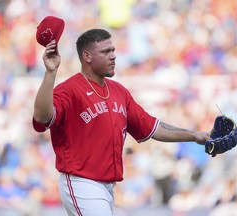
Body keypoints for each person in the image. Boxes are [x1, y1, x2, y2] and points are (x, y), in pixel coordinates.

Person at [32, 28, 210, 216]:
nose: (113, 56)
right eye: (105, 52)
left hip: (107, 187)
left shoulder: (119, 92)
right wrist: (50, 73)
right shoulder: (69, 90)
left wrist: (194, 135)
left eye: (113, 51)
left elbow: (152, 127)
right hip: (81, 182)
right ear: (87, 56)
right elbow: (42, 118)